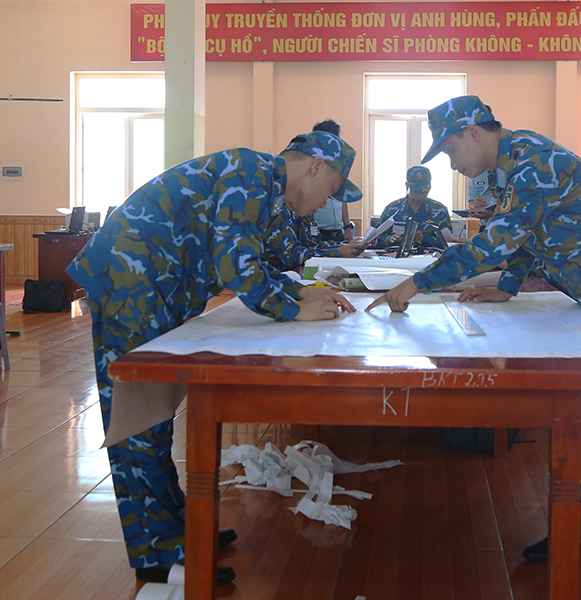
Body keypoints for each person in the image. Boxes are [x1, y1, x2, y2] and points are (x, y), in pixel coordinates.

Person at [366, 95, 581, 561]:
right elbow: (531, 235)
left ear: (473, 133)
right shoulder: (517, 165)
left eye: (451, 152)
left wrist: (418, 283)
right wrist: (508, 287)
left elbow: (500, 238)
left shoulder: (532, 162)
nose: (452, 166)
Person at [66, 131, 362, 585]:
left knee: (155, 417)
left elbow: (246, 260)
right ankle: (157, 553)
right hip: (132, 283)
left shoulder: (260, 183)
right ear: (315, 166)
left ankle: (179, 531)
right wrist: (295, 310)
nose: (330, 201)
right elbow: (234, 266)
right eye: (333, 188)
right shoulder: (250, 173)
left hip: (150, 285)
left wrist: (300, 290)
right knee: (139, 419)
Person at [374, 165, 452, 249]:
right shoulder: (392, 209)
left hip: (429, 260)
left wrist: (425, 239)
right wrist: (390, 239)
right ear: (407, 186)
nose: (420, 196)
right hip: (397, 260)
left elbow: (449, 242)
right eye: (416, 191)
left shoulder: (439, 210)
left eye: (424, 192)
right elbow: (375, 239)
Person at [312, 119, 355, 242]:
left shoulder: (339, 165)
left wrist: (347, 227)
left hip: (338, 234)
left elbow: (342, 197)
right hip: (316, 233)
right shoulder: (311, 166)